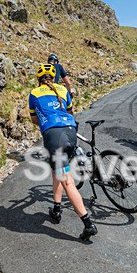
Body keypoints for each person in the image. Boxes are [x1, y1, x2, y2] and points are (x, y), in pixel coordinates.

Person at [28, 64, 97, 241]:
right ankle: (57, 209)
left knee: (67, 181)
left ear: (39, 79)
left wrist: (47, 123)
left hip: (54, 136)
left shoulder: (35, 94)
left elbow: (34, 119)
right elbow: (70, 111)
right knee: (56, 172)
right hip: (70, 131)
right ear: (55, 77)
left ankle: (88, 223)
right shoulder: (63, 90)